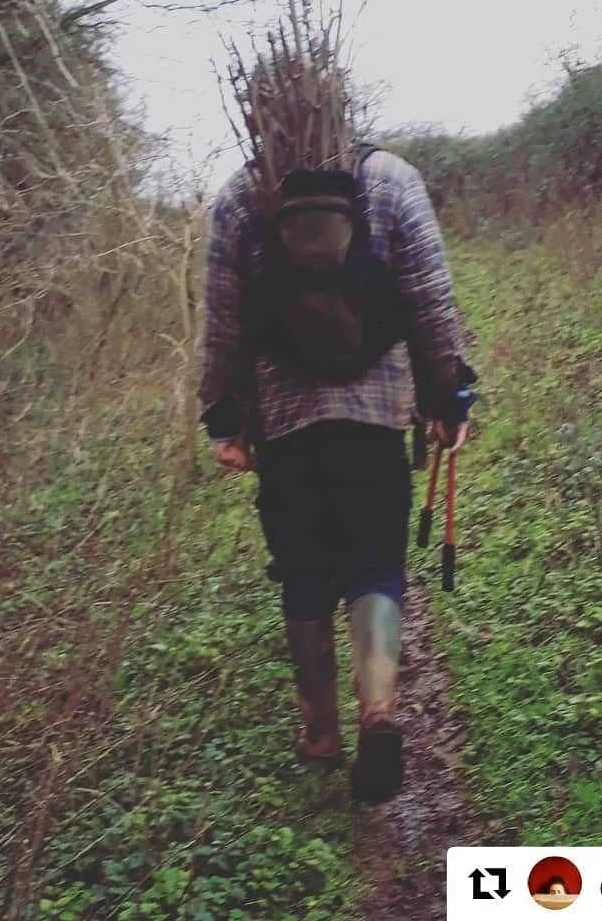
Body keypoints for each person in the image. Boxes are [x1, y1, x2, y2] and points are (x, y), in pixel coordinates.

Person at [197, 144, 475, 805]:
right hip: (376, 420)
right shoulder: (390, 178)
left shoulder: (244, 192)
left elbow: (224, 317)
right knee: (375, 563)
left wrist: (223, 418)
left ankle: (321, 735)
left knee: (303, 572)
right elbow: (431, 299)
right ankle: (377, 711)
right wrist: (448, 397)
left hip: (286, 425)